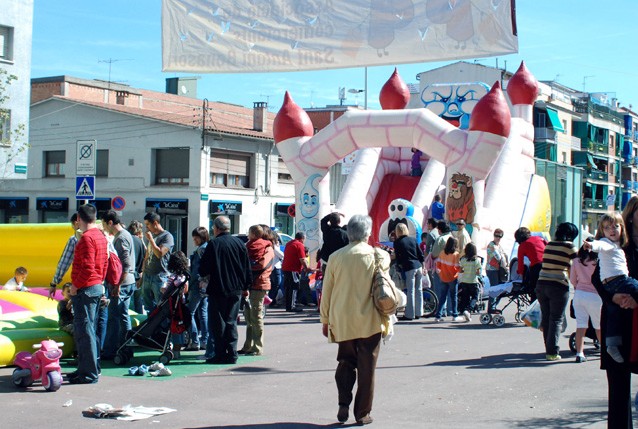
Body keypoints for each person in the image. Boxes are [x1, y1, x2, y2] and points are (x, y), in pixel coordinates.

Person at [320, 214, 390, 426]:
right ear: (368, 233)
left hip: (342, 319)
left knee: (345, 361)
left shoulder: (335, 257)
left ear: (348, 233)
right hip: (370, 320)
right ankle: (362, 413)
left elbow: (327, 292)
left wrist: (325, 319)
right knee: (367, 367)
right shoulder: (378, 256)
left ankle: (343, 402)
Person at [591, 196, 638, 427]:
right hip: (618, 321)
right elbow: (597, 278)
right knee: (619, 389)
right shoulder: (618, 242)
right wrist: (614, 296)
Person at [584, 213, 638, 364]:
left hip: (615, 285)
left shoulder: (618, 246)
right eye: (607, 228)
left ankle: (611, 344)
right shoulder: (606, 243)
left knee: (613, 315)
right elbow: (599, 245)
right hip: (618, 281)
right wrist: (591, 245)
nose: (612, 230)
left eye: (615, 226)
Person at [199, 216, 252, 364]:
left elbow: (204, 269)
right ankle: (232, 352)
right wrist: (246, 286)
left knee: (218, 322)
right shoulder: (239, 244)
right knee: (231, 321)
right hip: (235, 288)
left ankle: (220, 353)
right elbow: (247, 267)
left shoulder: (214, 244)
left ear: (216, 228)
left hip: (218, 287)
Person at [67, 204, 108, 384]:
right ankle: (87, 369)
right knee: (89, 330)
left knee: (84, 331)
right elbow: (104, 263)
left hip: (85, 289)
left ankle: (88, 373)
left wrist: (75, 285)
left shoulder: (86, 239)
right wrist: (100, 280)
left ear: (79, 219)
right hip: (96, 286)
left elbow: (86, 267)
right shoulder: (101, 236)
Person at [535, 222, 579, 361]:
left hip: (541, 283)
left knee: (547, 317)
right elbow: (578, 263)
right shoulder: (569, 246)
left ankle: (548, 350)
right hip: (558, 285)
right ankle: (552, 351)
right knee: (556, 318)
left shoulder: (549, 245)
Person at [100, 210, 136, 360]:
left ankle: (113, 349)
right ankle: (125, 346)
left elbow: (126, 264)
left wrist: (118, 285)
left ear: (110, 223)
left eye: (104, 224)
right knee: (122, 315)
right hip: (129, 281)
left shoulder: (120, 238)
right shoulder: (126, 235)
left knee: (115, 317)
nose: (104, 228)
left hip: (122, 283)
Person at [240, 224, 274, 356]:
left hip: (258, 284)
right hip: (256, 283)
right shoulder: (263, 247)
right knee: (249, 317)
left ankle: (257, 346)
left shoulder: (266, 248)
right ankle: (249, 345)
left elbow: (262, 265)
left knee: (255, 316)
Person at [569, 241, 601, 363]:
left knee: (581, 325)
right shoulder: (597, 262)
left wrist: (579, 286)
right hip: (595, 295)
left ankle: (580, 353)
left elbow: (572, 279)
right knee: (598, 326)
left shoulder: (576, 261)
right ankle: (604, 351)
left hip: (579, 294)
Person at [141, 212, 174, 313]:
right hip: (147, 275)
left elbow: (160, 254)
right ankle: (150, 327)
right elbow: (147, 255)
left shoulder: (167, 236)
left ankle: (161, 328)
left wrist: (151, 239)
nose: (147, 228)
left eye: (148, 225)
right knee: (147, 306)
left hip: (159, 276)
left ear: (155, 223)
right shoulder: (151, 236)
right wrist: (142, 274)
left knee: (160, 307)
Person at [162, 251, 191, 359]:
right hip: (180, 304)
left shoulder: (172, 277)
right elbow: (186, 290)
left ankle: (170, 347)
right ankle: (178, 350)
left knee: (171, 327)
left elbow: (165, 291)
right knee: (179, 327)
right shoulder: (184, 277)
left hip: (171, 305)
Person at [393, 223, 424, 321]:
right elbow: (420, 254)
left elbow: (398, 256)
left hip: (409, 267)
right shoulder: (413, 239)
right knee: (419, 290)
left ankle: (410, 314)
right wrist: (423, 265)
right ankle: (419, 312)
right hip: (418, 266)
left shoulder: (397, 242)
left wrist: (398, 265)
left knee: (410, 290)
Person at [186, 226, 209, 352]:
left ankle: (194, 340)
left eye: (196, 237)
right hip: (203, 285)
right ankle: (204, 340)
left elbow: (198, 269)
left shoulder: (201, 250)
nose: (194, 239)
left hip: (197, 284)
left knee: (189, 313)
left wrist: (197, 280)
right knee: (203, 313)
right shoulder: (205, 248)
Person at [49, 213, 81, 299]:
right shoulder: (99, 236)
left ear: (75, 223)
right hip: (100, 283)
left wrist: (54, 283)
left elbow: (64, 263)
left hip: (81, 281)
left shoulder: (74, 239)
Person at [434, 236, 463, 322]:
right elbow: (457, 267)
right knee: (453, 297)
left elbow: (438, 265)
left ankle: (438, 316)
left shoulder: (442, 253)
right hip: (452, 277)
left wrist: (440, 273)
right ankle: (455, 315)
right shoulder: (456, 254)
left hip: (443, 277)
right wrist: (461, 270)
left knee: (442, 297)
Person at [514, 226, 547, 303]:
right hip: (548, 264)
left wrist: (520, 273)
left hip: (537, 267)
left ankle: (533, 310)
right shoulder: (539, 238)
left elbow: (520, 264)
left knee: (534, 291)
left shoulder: (522, 246)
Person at [281, 231, 309, 312]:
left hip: (286, 268)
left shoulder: (289, 243)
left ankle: (288, 305)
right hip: (293, 269)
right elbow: (302, 259)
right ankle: (291, 306)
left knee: (288, 287)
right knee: (294, 286)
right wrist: (306, 268)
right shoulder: (299, 245)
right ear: (302, 239)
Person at [458, 242, 482, 322]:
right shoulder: (476, 260)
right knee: (475, 297)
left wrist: (465, 270)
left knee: (466, 297)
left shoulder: (463, 259)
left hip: (464, 281)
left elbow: (460, 270)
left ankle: (465, 311)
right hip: (473, 281)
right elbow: (478, 272)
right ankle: (469, 310)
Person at [486, 228, 508, 313]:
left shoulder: (498, 246)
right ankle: (491, 308)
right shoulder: (492, 245)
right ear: (494, 235)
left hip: (498, 269)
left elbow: (504, 255)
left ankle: (493, 306)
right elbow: (499, 257)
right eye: (496, 236)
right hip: (492, 270)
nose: (498, 238)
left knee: (500, 288)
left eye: (500, 236)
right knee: (495, 288)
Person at [127, 220, 146, 314]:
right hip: (138, 276)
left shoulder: (128, 239)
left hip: (128, 276)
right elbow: (145, 258)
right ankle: (140, 325)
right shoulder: (140, 242)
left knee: (129, 305)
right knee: (138, 303)